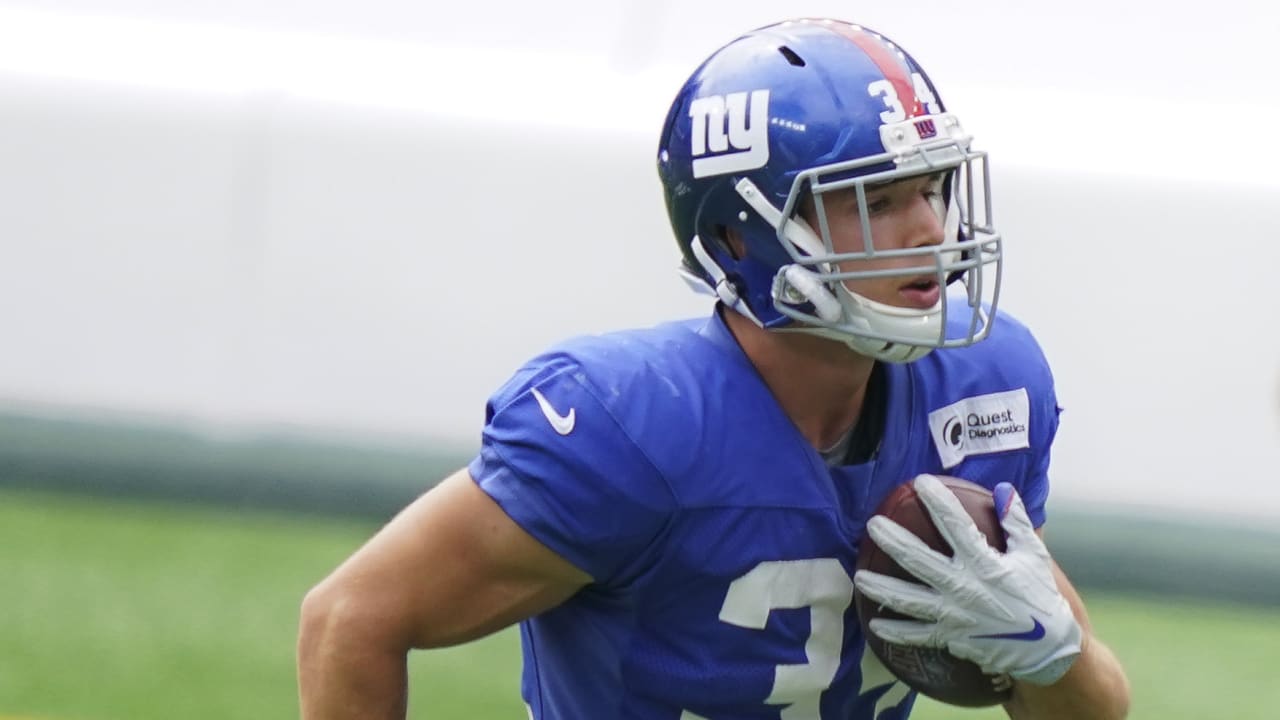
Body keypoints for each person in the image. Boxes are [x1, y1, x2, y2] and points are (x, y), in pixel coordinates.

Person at [297, 18, 1130, 719]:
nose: (927, 229)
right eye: (874, 199)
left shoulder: (986, 384)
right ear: (743, 237)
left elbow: (1090, 704)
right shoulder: (634, 425)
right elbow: (349, 618)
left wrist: (1047, 652)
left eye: (932, 186)